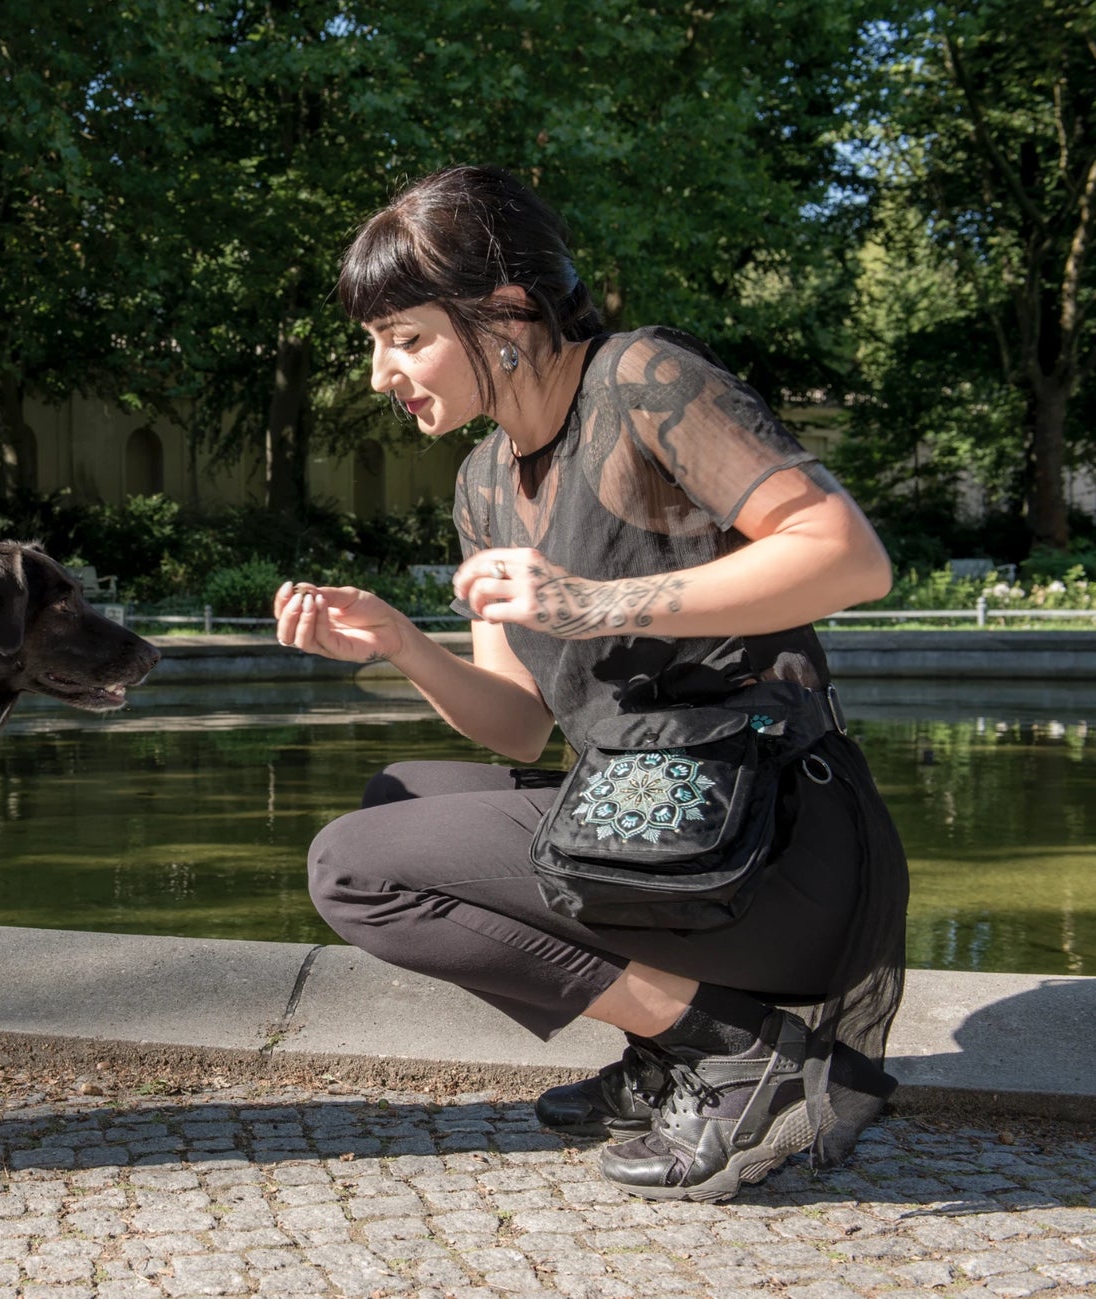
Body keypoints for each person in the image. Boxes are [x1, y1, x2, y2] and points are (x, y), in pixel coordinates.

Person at [274, 164, 909, 1202]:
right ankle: (674, 1047)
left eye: (405, 337)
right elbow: (519, 728)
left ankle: (733, 1048)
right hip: (658, 830)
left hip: (769, 835)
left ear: (508, 311)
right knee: (403, 794)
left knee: (352, 865)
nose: (379, 373)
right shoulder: (484, 479)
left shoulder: (640, 378)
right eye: (372, 345)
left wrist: (591, 604)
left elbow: (846, 557)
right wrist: (401, 644)